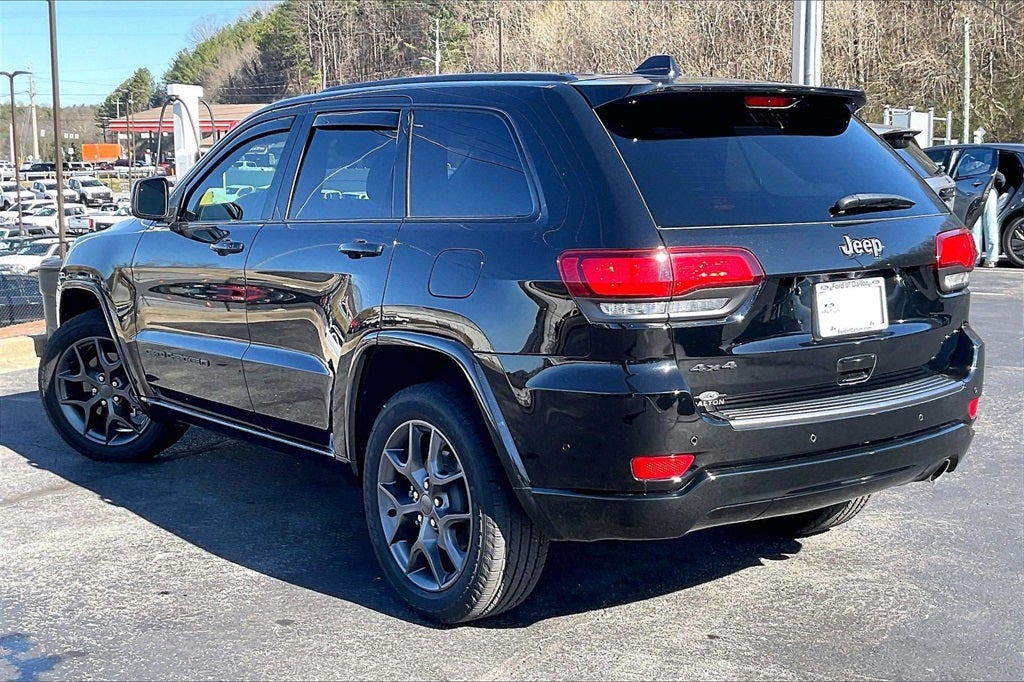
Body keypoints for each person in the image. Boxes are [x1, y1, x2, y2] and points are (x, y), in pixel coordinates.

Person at [972, 169, 1005, 267]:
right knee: (990, 224)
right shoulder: (989, 165)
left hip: (973, 191)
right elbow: (1001, 179)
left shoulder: (967, 163)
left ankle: (976, 258)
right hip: (990, 191)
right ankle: (991, 258)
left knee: (975, 226)